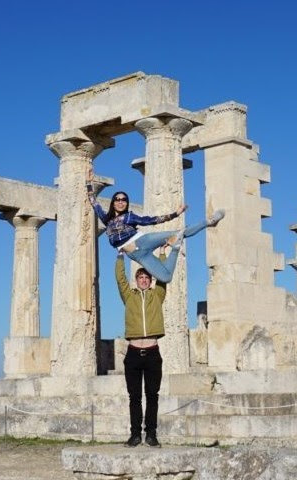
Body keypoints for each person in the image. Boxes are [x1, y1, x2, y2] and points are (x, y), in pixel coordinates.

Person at [87, 173, 225, 283]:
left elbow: (151, 221)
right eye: (118, 199)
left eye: (124, 200)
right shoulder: (106, 219)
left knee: (179, 233)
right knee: (166, 277)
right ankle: (175, 248)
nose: (121, 202)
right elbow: (94, 202)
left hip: (143, 241)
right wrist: (88, 183)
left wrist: (175, 214)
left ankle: (209, 221)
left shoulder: (130, 217)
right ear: (113, 202)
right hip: (138, 255)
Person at [115, 248, 168, 447]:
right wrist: (120, 256)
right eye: (141, 277)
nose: (144, 280)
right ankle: (135, 434)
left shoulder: (158, 296)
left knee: (152, 396)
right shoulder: (129, 297)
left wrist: (162, 254)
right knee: (134, 397)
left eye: (147, 277)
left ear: (150, 280)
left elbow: (163, 277)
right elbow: (120, 279)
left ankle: (151, 434)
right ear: (136, 280)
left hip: (153, 352)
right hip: (134, 353)